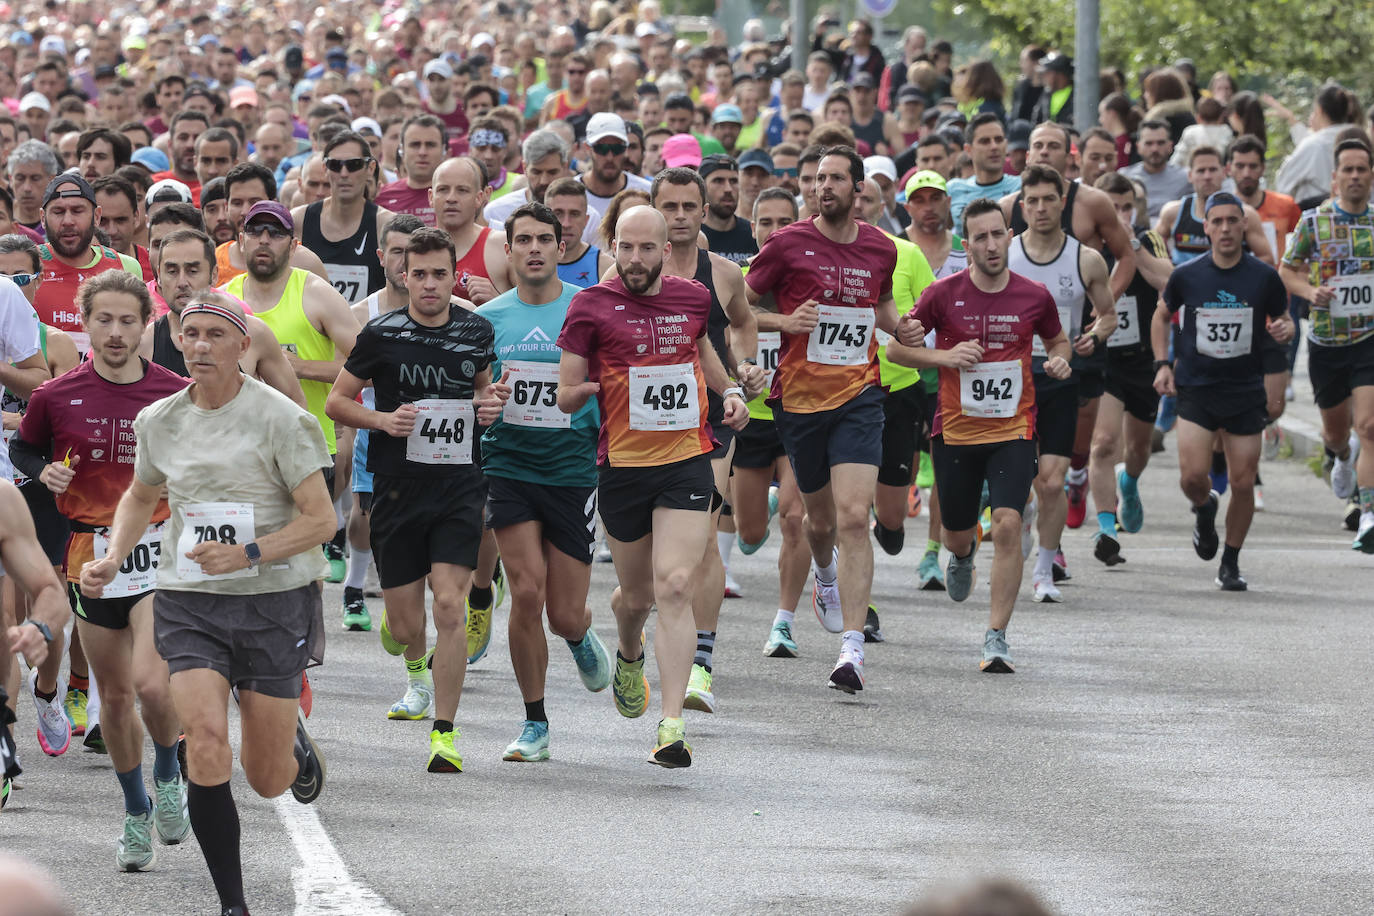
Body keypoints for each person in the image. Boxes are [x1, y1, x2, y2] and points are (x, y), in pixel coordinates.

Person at [80, 291, 332, 916]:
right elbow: (141, 495)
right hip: (191, 600)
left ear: (243, 346)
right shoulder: (160, 420)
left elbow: (322, 520)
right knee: (208, 743)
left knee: (267, 778)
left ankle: (289, 744)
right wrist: (114, 555)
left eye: (214, 335)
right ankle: (233, 905)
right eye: (189, 334)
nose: (199, 346)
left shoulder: (281, 419)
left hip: (274, 599)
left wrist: (249, 553)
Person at [556, 205, 749, 766]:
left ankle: (671, 725)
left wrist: (731, 391)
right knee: (636, 596)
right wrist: (584, 392)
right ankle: (629, 647)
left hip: (687, 459)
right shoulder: (589, 306)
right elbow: (567, 390)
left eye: (648, 249)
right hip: (622, 467)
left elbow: (705, 355)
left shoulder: (692, 297)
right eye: (627, 248)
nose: (636, 259)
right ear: (612, 248)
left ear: (667, 251)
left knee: (677, 584)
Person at [10, 270, 191, 869]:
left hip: (157, 552)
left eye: (128, 321)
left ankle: (169, 771)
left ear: (147, 325)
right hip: (89, 555)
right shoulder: (55, 395)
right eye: (104, 320)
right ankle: (136, 811)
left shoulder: (174, 392)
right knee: (113, 698)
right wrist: (43, 473)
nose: (116, 333)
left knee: (151, 683)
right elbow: (25, 448)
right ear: (85, 325)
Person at [744, 146, 926, 693]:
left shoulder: (880, 248)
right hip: (798, 402)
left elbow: (882, 310)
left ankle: (851, 648)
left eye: (836, 179)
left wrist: (902, 329)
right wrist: (785, 319)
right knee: (816, 524)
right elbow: (741, 309)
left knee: (853, 517)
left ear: (858, 188)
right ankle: (823, 575)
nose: (824, 187)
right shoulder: (788, 244)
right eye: (818, 179)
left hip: (860, 396)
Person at [325, 227, 500, 770]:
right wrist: (381, 419)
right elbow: (336, 402)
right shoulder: (380, 333)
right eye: (418, 273)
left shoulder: (476, 329)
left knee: (449, 603)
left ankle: (444, 733)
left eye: (439, 274)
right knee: (406, 628)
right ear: (403, 275)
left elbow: (483, 391)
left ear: (454, 276)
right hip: (397, 490)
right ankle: (410, 655)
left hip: (457, 486)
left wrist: (488, 406)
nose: (428, 284)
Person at [892, 197, 1070, 672]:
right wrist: (942, 358)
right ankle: (961, 555)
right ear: (966, 246)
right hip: (955, 432)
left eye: (999, 235)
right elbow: (895, 350)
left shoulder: (1034, 295)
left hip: (1014, 428)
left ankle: (996, 637)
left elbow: (1057, 339)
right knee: (956, 535)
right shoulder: (943, 295)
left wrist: (1059, 358)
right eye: (982, 238)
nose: (992, 245)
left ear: (1010, 238)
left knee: (1009, 523)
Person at [474, 203, 613, 761]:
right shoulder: (488, 320)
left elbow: (609, 381)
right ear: (508, 252)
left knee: (562, 612)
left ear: (562, 248)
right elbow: (475, 394)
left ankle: (579, 635)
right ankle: (535, 722)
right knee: (525, 592)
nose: (534, 248)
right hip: (508, 466)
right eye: (523, 239)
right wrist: (487, 402)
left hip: (573, 469)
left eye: (544, 239)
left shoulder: (587, 311)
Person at [650, 166, 763, 713]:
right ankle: (642, 640)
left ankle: (702, 661)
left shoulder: (721, 274)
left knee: (702, 528)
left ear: (703, 213)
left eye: (686, 208)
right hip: (642, 424)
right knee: (654, 555)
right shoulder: (623, 268)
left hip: (713, 414)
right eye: (667, 207)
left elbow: (743, 324)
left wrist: (747, 367)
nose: (677, 218)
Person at [1153, 191, 1294, 587]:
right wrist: (1162, 364)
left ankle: (1230, 561)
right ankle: (1204, 508)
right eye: (1218, 222)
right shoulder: (1187, 275)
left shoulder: (1263, 277)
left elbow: (1282, 321)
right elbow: (1161, 316)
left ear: (1244, 226)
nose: (1226, 228)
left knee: (1244, 481)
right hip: (1196, 387)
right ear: (1207, 228)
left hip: (1245, 389)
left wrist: (1286, 327)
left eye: (1234, 221)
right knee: (1192, 479)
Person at [222, 202, 360, 583]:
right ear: (240, 241)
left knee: (299, 564)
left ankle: (305, 639)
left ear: (294, 244)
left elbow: (369, 365)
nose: (264, 241)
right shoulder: (225, 299)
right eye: (255, 232)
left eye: (276, 233)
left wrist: (294, 368)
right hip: (243, 451)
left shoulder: (316, 293)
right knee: (249, 565)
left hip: (309, 448)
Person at [1007, 166, 1115, 590]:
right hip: (1010, 379)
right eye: (1031, 201)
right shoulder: (1006, 253)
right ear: (1021, 206)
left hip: (1059, 374)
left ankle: (1043, 570)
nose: (1040, 208)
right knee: (1025, 478)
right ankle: (1027, 513)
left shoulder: (1085, 258)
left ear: (1062, 203)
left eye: (1048, 199)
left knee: (1053, 480)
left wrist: (1092, 337)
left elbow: (1107, 314)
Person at [1279, 139, 1374, 550]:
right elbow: (1287, 271)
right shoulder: (1314, 222)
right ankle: (1339, 455)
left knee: (1369, 426)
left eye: (1362, 169)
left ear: (1371, 176)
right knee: (1337, 433)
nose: (1355, 176)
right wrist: (1310, 290)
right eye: (1347, 170)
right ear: (1334, 178)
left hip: (1370, 338)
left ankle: (1368, 513)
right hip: (1327, 341)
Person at [732, 188, 812, 655]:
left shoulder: (807, 280)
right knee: (750, 532)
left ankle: (783, 622)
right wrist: (781, 327)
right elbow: (727, 322)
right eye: (765, 222)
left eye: (785, 221)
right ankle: (769, 495)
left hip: (798, 411)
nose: (774, 231)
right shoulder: (736, 278)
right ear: (752, 225)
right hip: (751, 419)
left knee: (795, 518)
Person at [1089, 173, 1174, 540]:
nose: (1121, 213)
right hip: (1102, 356)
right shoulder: (1087, 242)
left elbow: (1169, 282)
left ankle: (1130, 481)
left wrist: (1131, 245)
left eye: (1128, 206)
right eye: (1114, 207)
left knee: (1138, 448)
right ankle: (1107, 528)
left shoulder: (1148, 239)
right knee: (1105, 442)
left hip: (1140, 358)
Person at [140, 228, 306, 407]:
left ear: (213, 275)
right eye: (172, 271)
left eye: (192, 271)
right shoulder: (146, 343)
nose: (182, 282)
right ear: (159, 277)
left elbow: (296, 405)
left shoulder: (254, 333)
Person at [0, 480, 73, 812]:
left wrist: (39, 624)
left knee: (5, 621)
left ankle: (6, 748)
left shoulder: (4, 500)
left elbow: (50, 590)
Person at [35, 173, 141, 354]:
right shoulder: (27, 266)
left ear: (97, 216)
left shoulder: (126, 266)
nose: (68, 221)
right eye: (58, 212)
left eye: (77, 211)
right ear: (43, 218)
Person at [293, 130, 394, 302]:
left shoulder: (387, 225)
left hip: (366, 327)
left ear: (370, 168)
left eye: (354, 164)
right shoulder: (298, 220)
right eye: (335, 165)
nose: (344, 173)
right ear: (325, 169)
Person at [430, 155, 511, 305]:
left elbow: (534, 312)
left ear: (479, 198)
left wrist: (496, 302)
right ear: (430, 197)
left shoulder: (502, 246)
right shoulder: (416, 248)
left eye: (462, 190)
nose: (451, 198)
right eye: (443, 189)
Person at [947, 113, 1021, 228]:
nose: (994, 146)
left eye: (998, 140)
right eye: (985, 141)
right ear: (968, 150)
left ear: (1006, 145)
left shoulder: (1021, 187)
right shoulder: (953, 189)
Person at [375, 114, 446, 224]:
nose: (422, 152)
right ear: (402, 150)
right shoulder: (381, 198)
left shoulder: (458, 197)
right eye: (415, 145)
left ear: (444, 151)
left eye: (430, 145)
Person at [1121, 121, 1193, 223]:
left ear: (1170, 146)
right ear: (1138, 147)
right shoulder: (1124, 177)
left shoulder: (1187, 177)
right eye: (1149, 143)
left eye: (1160, 143)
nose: (1155, 149)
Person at [547, 178, 612, 289]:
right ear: (545, 217)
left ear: (586, 220)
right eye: (558, 213)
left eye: (574, 214)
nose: (566, 224)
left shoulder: (606, 267)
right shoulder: (528, 264)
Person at [699, 154, 757, 265]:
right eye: (718, 181)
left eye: (733, 181)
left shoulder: (753, 234)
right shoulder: (693, 236)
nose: (728, 189)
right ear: (702, 187)